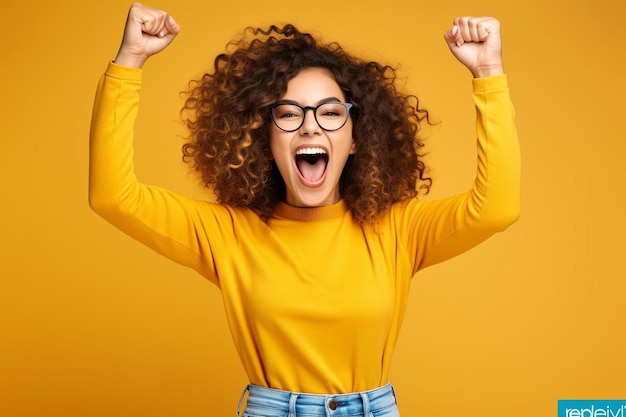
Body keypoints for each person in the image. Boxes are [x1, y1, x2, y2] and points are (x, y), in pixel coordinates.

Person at [89, 3, 520, 416]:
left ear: (355, 140)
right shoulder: (228, 234)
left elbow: (495, 208)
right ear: (266, 140)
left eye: (331, 112)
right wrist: (130, 62)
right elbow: (114, 196)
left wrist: (488, 74)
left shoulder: (397, 230)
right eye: (290, 113)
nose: (311, 124)